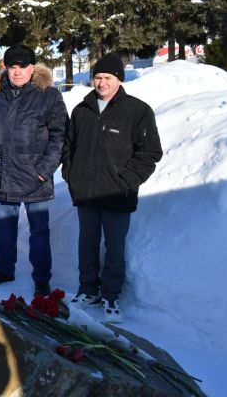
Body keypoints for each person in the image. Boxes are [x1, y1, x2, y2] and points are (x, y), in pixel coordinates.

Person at [62, 52, 162, 322]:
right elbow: (69, 146)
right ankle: (88, 290)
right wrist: (71, 174)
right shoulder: (82, 110)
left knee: (115, 247)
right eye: (97, 77)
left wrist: (126, 181)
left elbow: (150, 153)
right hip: (86, 191)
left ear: (119, 79)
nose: (101, 83)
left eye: (107, 78)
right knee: (87, 244)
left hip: (118, 194)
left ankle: (110, 296)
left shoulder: (138, 111)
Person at [0, 45, 68, 294]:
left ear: (32, 68)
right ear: (5, 68)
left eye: (22, 67)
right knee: (5, 227)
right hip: (2, 173)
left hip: (34, 176)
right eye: (12, 67)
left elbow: (60, 136)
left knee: (39, 231)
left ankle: (41, 278)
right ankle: (4, 269)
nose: (16, 73)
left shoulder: (48, 95)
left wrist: (44, 170)